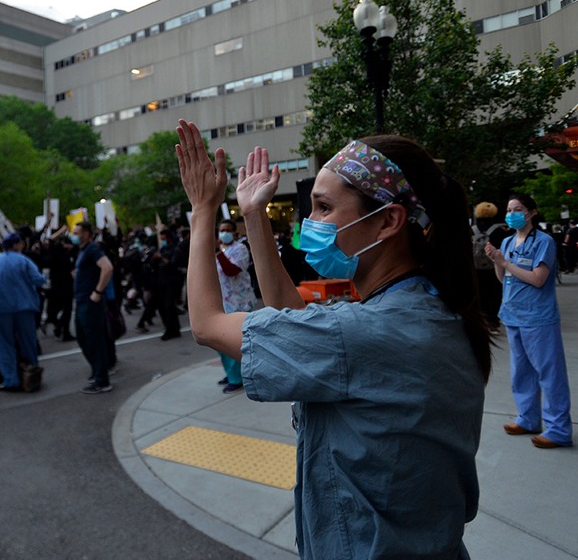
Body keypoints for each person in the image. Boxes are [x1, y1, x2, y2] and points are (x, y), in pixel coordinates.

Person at [176, 120, 492, 559]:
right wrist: (253, 216)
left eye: (323, 207)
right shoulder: (430, 311)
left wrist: (202, 210)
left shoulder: (363, 333)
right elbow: (295, 321)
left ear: (387, 221)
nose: (311, 222)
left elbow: (207, 324)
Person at [485, 194, 573, 449]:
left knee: (549, 372)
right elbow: (504, 279)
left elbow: (538, 279)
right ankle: (528, 418)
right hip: (513, 314)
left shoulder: (543, 241)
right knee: (521, 371)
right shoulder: (509, 240)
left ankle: (558, 428)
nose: (512, 213)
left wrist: (505, 262)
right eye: (509, 209)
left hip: (538, 317)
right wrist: (497, 262)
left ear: (532, 212)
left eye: (518, 209)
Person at [0, 233, 45, 391]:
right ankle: (31, 374)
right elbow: (38, 279)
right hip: (23, 307)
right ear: (16, 245)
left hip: (0, 308)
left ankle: (10, 379)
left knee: (4, 344)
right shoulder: (23, 260)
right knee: (28, 342)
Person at [72, 222, 114, 394]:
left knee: (94, 341)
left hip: (90, 303)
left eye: (78, 232)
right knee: (83, 339)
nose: (74, 235)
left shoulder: (92, 249)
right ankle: (98, 372)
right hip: (82, 301)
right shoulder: (83, 251)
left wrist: (97, 291)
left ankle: (102, 380)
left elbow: (107, 267)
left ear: (87, 234)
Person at [214, 219, 256, 393]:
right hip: (223, 302)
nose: (224, 233)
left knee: (234, 341)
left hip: (240, 303)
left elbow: (232, 271)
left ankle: (237, 377)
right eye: (221, 230)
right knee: (220, 342)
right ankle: (230, 372)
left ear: (235, 233)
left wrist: (218, 253)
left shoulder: (240, 249)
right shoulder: (221, 251)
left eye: (227, 230)